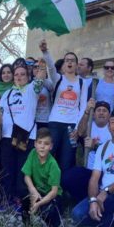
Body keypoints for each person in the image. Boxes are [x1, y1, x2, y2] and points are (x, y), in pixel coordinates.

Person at [0, 62, 49, 213]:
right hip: (7, 137)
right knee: (7, 171)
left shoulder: (33, 90)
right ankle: (6, 200)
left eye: (23, 74)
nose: (19, 77)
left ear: (28, 76)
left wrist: (43, 64)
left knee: (23, 172)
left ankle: (21, 201)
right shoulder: (7, 94)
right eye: (17, 74)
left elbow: (40, 79)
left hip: (27, 137)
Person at [40, 40, 88, 172]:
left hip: (71, 126)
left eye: (72, 60)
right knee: (49, 157)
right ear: (64, 64)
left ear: (77, 64)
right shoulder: (58, 79)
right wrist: (45, 52)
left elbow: (83, 106)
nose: (70, 62)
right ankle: (45, 189)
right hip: (55, 123)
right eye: (67, 60)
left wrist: (77, 128)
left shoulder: (82, 83)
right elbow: (50, 67)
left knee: (66, 161)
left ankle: (61, 190)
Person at [61, 99, 112, 203]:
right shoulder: (90, 125)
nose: (101, 112)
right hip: (89, 170)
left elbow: (113, 152)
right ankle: (83, 201)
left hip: (105, 172)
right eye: (98, 110)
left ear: (109, 115)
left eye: (104, 110)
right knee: (67, 178)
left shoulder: (113, 128)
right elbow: (79, 132)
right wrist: (87, 110)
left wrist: (95, 146)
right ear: (94, 114)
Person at [22, 128, 62, 227]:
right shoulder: (32, 153)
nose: (42, 146)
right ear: (35, 144)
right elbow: (26, 176)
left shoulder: (53, 165)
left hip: (51, 194)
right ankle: (26, 225)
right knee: (23, 194)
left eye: (46, 144)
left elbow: (54, 192)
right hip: (37, 189)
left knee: (48, 211)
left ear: (51, 146)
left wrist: (38, 203)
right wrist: (33, 191)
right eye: (39, 143)